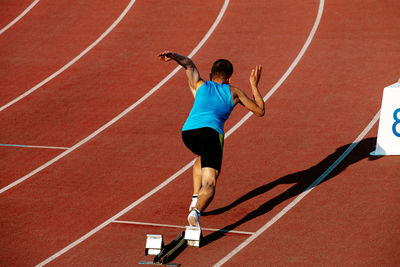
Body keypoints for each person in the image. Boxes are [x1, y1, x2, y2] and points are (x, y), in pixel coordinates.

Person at [158, 51, 265, 228]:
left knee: (202, 157)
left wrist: (173, 56)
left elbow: (189, 64)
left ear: (210, 75)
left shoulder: (199, 85)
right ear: (229, 78)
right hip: (211, 134)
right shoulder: (234, 92)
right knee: (210, 183)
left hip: (188, 133)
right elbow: (260, 111)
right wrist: (254, 85)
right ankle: (195, 213)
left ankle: (195, 198)